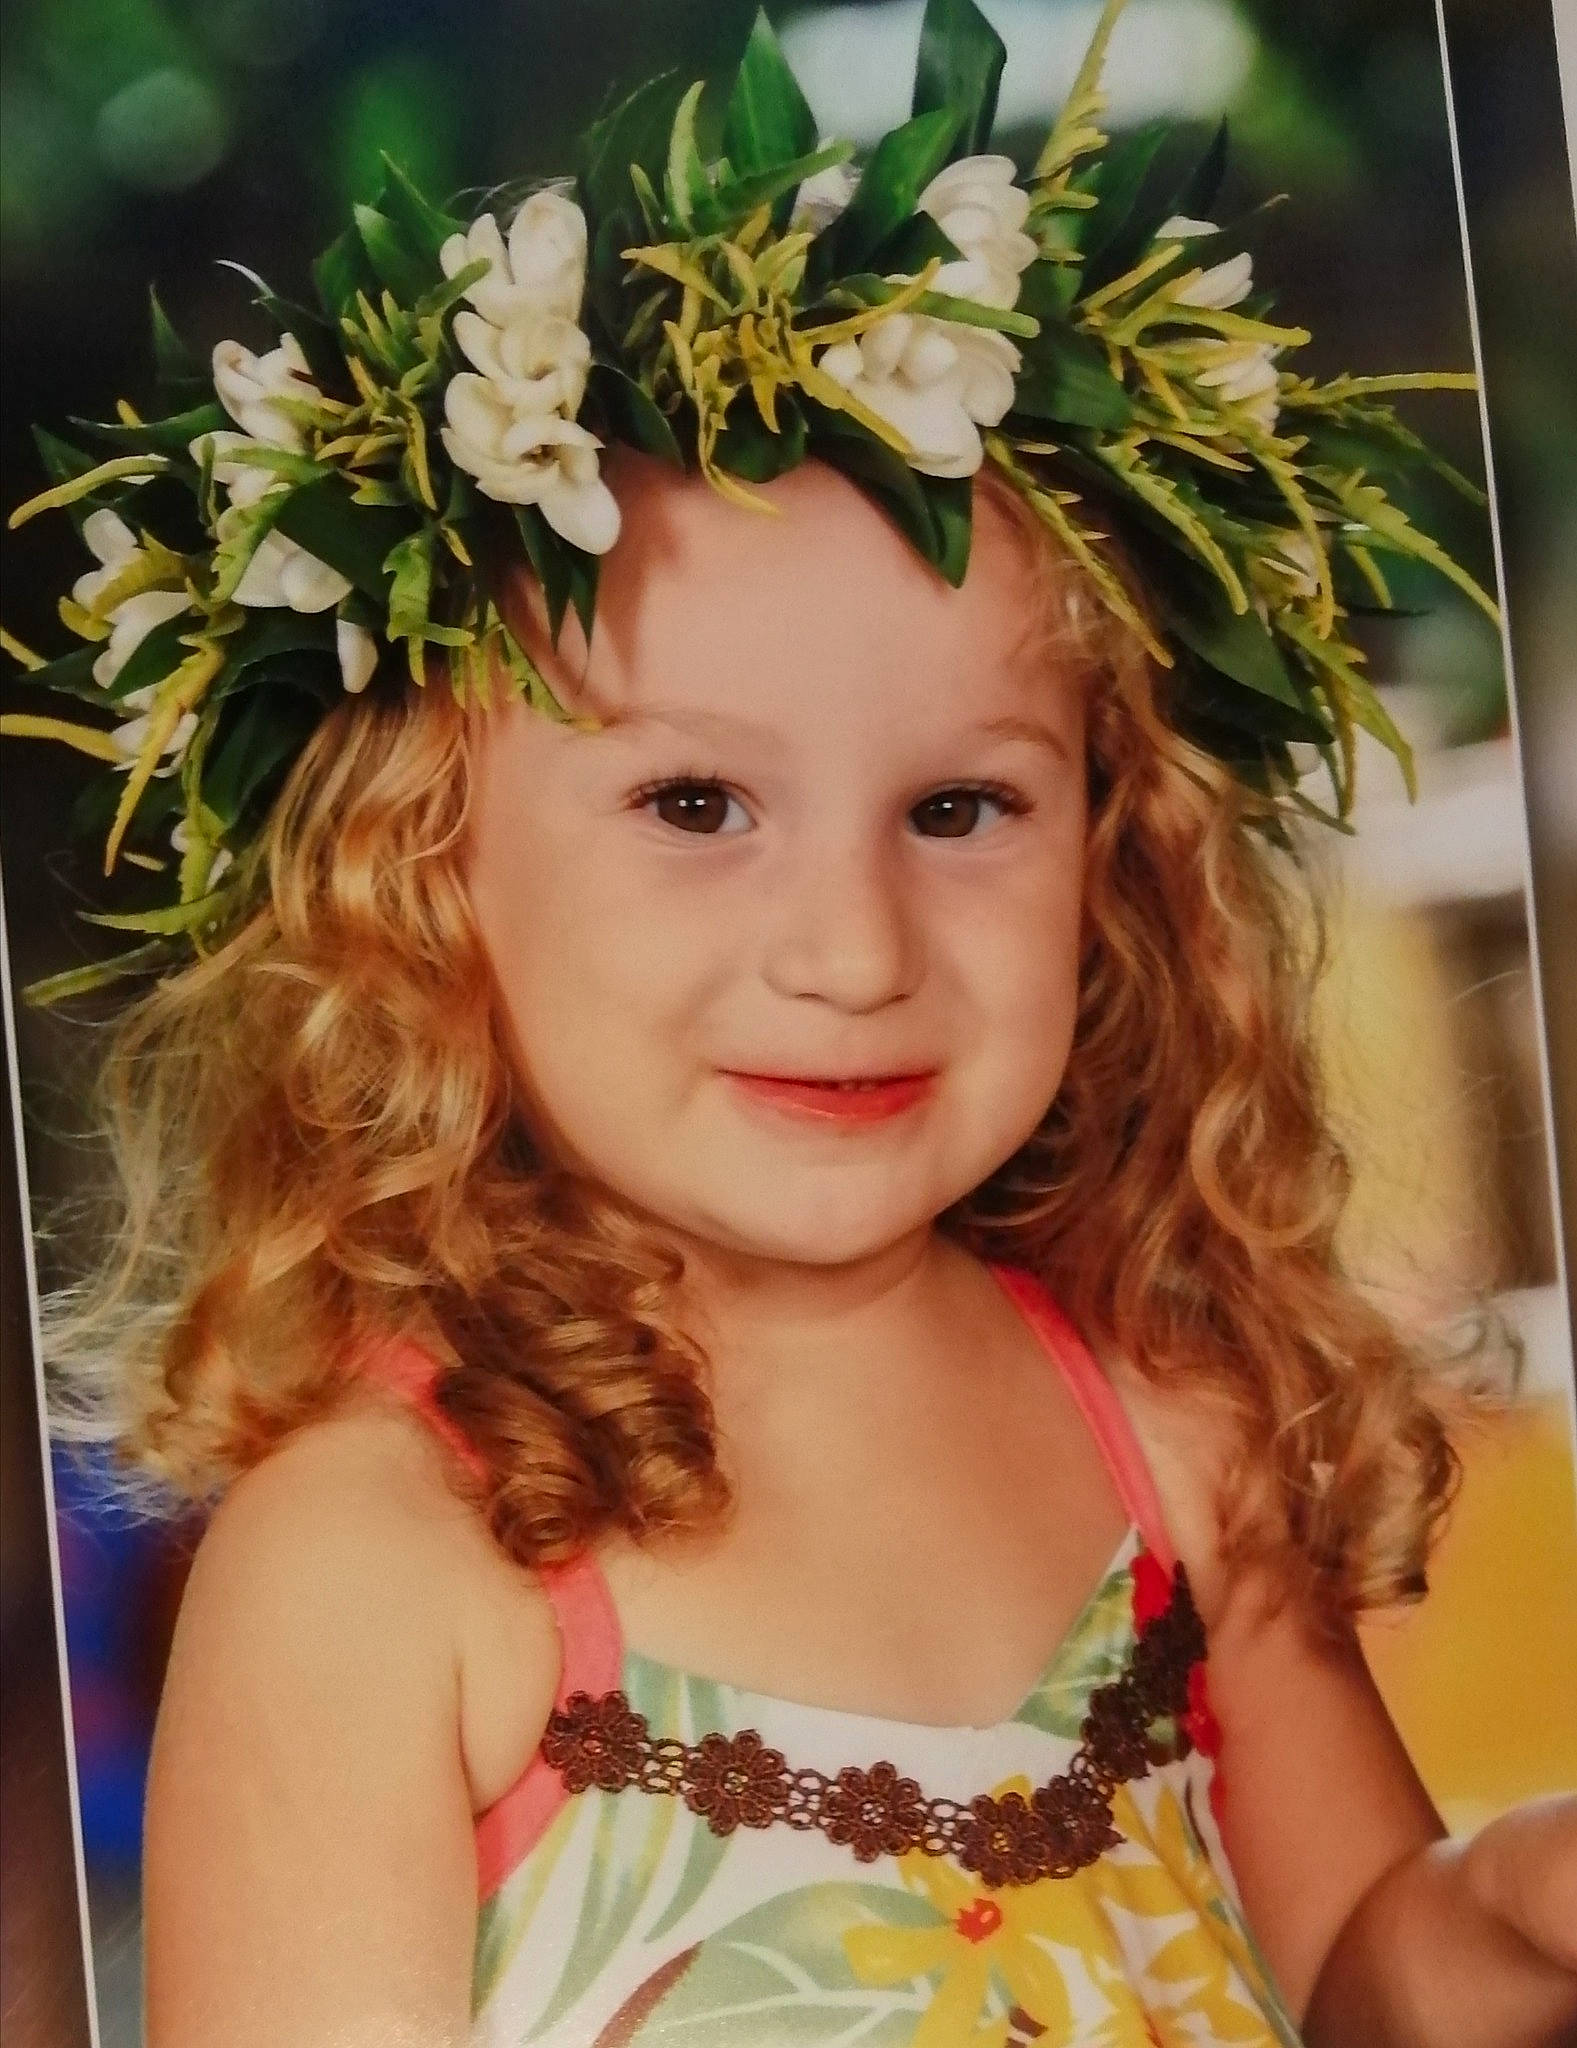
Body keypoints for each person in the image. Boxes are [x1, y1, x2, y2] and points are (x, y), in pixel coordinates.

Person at [4, 4, 1572, 2044]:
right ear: (427, 872)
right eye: (694, 805)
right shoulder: (377, 1564)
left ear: (1111, 856)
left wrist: (1514, 1911)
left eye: (961, 808)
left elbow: (1371, 1983)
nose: (851, 945)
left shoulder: (1165, 1423)